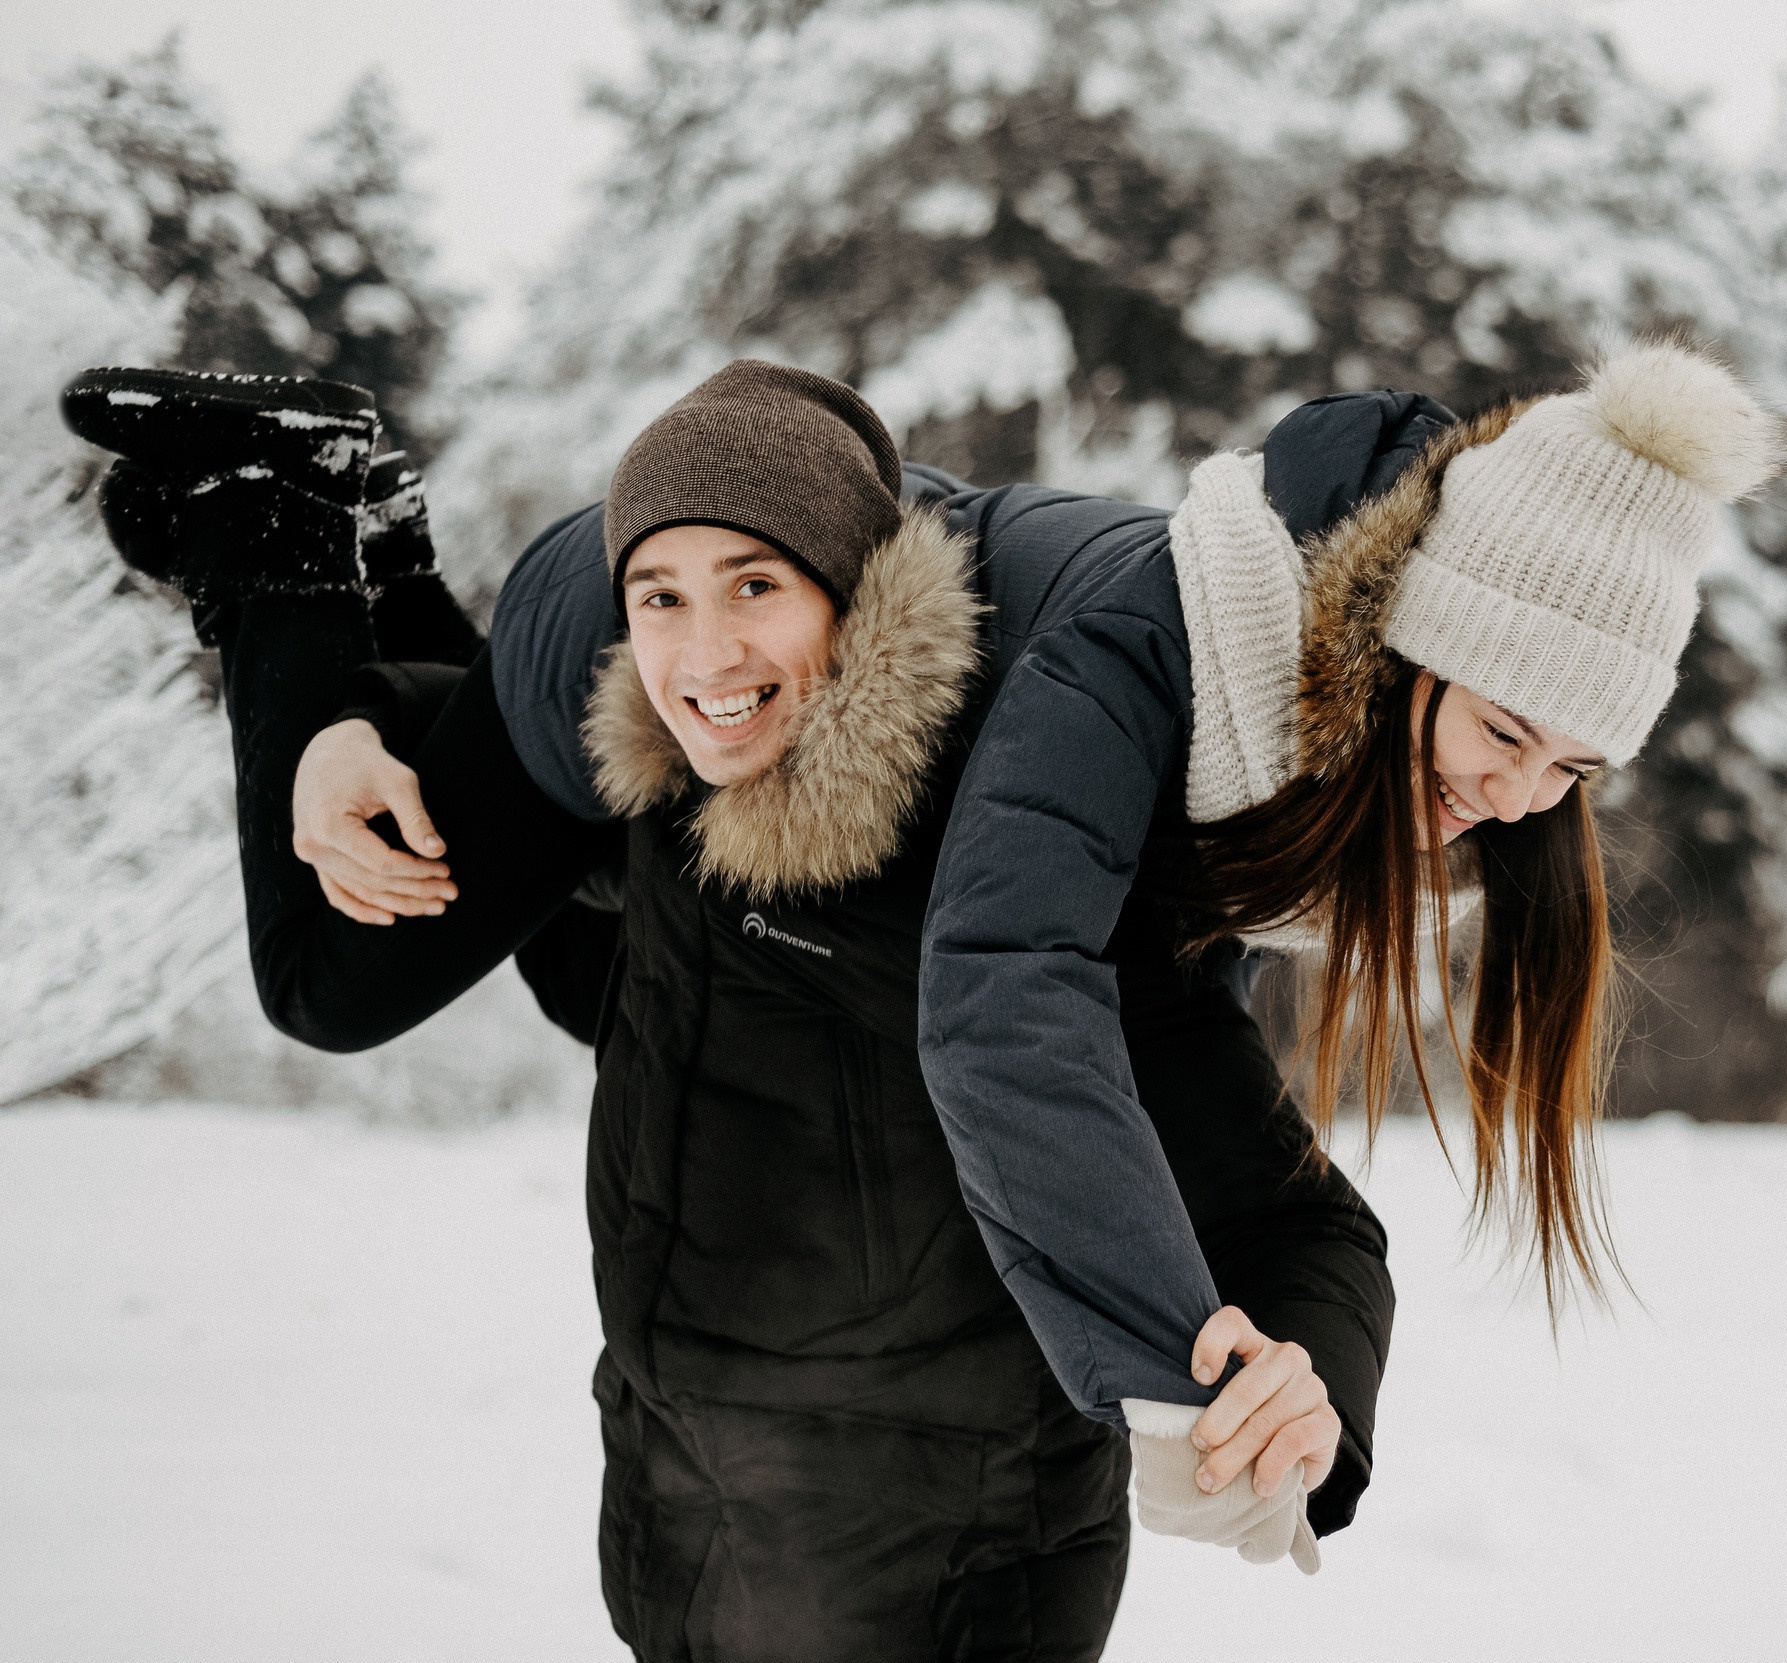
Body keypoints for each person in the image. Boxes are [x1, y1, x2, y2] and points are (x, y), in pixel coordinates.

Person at [59, 362, 1401, 1662]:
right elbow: (579, 942)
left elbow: (1300, 1222)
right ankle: (302, 520)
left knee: (382, 979)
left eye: (757, 586)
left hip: (951, 1572)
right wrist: (352, 722)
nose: (706, 648)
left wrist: (1310, 1401)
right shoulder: (681, 751)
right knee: (411, 971)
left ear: (852, 603)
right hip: (680, 1515)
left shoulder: (1008, 894)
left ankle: (287, 524)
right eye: (663, 598)